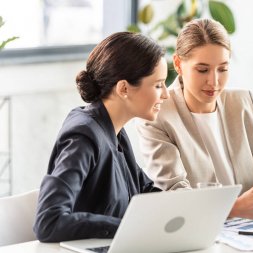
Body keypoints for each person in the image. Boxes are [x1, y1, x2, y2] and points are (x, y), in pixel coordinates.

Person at [136, 18, 253, 220]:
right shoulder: (157, 115)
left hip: (252, 230)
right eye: (202, 70)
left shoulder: (244, 103)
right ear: (178, 64)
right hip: (199, 230)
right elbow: (175, 194)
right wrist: (235, 207)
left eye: (223, 69)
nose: (214, 81)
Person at [33, 32, 169, 242]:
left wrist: (182, 211)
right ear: (124, 88)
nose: (166, 94)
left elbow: (143, 190)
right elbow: (49, 222)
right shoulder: (83, 136)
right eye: (158, 85)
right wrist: (125, 227)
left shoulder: (115, 130)